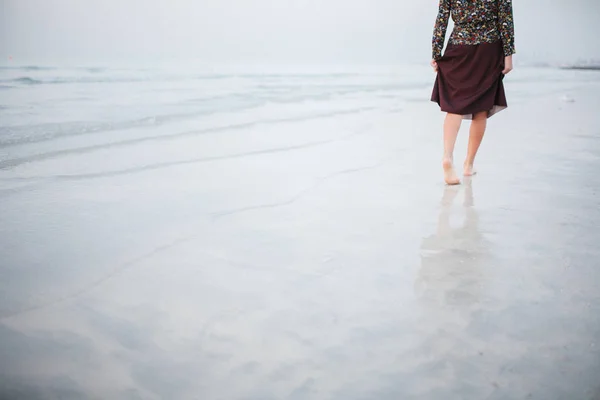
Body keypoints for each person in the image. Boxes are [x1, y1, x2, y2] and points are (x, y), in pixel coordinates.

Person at [430, 0, 515, 185]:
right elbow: (506, 19)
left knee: (454, 106)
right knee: (481, 108)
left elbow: (442, 19)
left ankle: (447, 156)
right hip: (489, 48)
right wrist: (508, 55)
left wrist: (436, 53)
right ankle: (468, 165)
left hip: (458, 46)